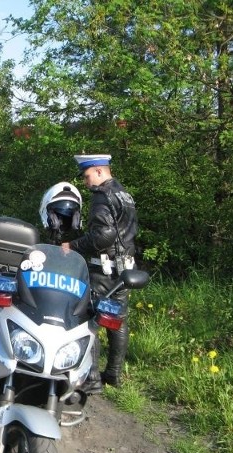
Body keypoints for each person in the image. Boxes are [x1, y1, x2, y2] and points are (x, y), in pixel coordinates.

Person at [61, 154, 138, 393]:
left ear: (98, 171)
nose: (86, 183)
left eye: (86, 177)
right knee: (118, 321)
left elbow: (104, 236)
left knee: (89, 317)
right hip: (124, 268)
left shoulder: (102, 196)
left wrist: (71, 246)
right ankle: (113, 375)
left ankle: (91, 378)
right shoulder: (125, 194)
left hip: (103, 269)